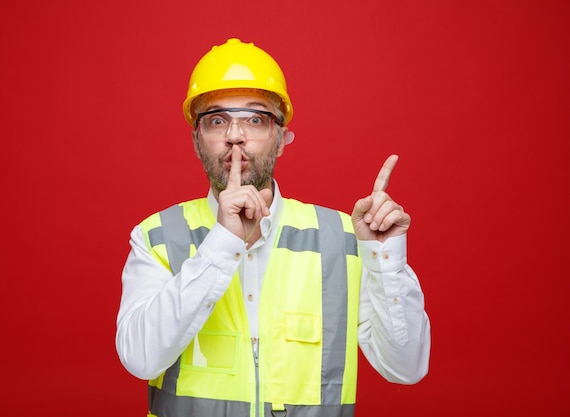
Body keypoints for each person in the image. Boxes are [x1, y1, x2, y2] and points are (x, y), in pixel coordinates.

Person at [116, 38, 430, 417]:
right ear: (198, 139)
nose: (235, 135)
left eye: (255, 119)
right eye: (217, 120)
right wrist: (222, 242)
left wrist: (384, 257)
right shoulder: (157, 237)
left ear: (281, 139)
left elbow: (406, 368)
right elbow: (140, 359)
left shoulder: (344, 239)